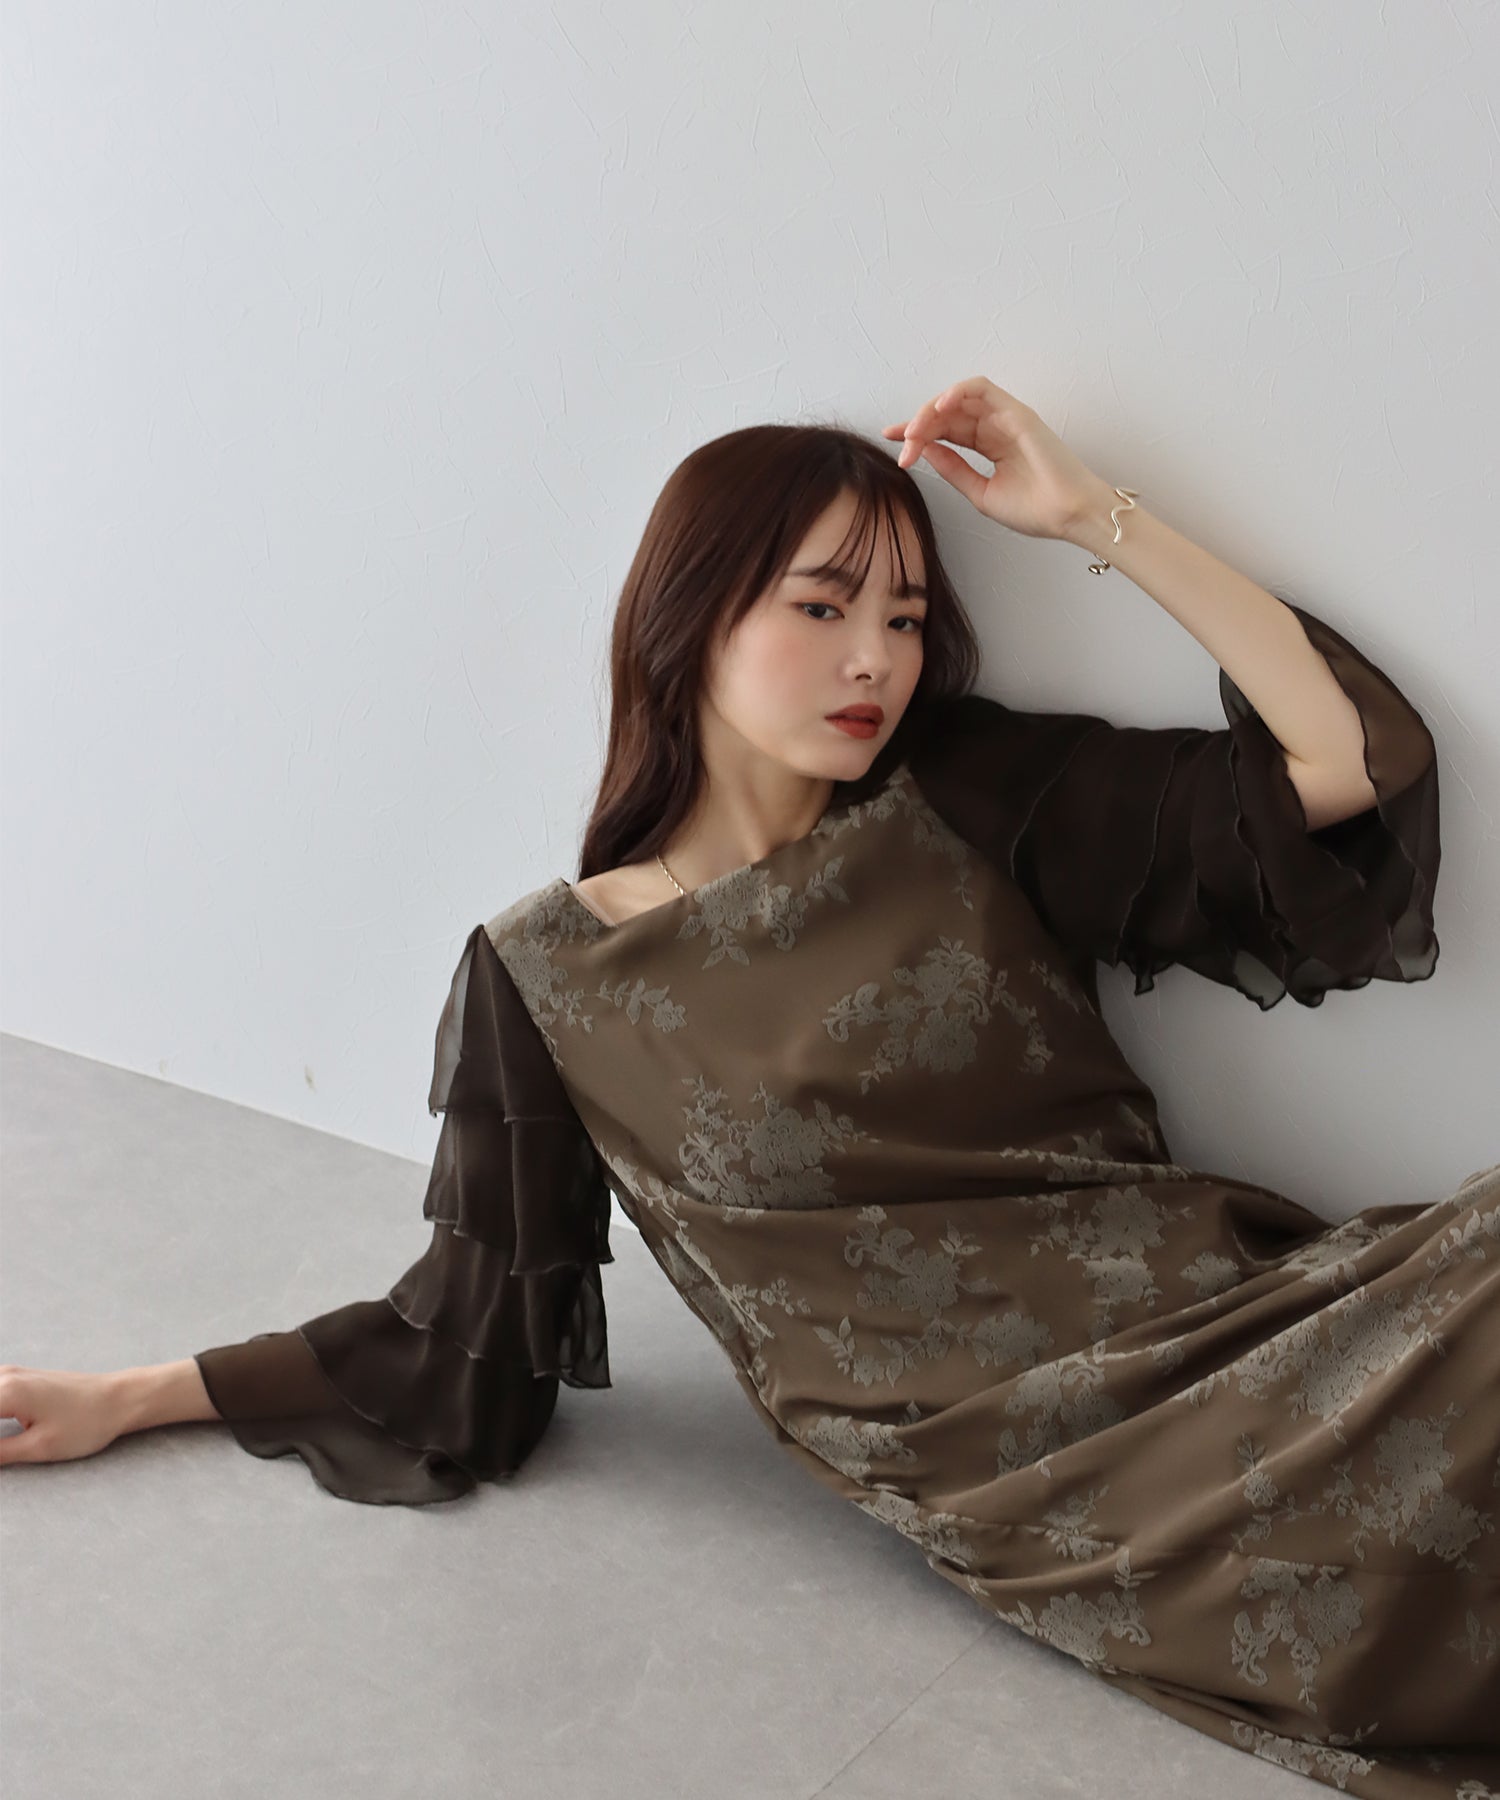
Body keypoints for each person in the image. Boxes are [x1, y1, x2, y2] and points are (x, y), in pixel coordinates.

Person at [4, 378, 1494, 1799]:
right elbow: (462, 1337)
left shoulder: (968, 796)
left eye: (905, 618)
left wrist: (1094, 513)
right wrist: (128, 1398)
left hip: (1261, 1326)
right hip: (1059, 1489)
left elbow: (1353, 756)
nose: (876, 660)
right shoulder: (549, 976)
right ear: (689, 621)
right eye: (822, 607)